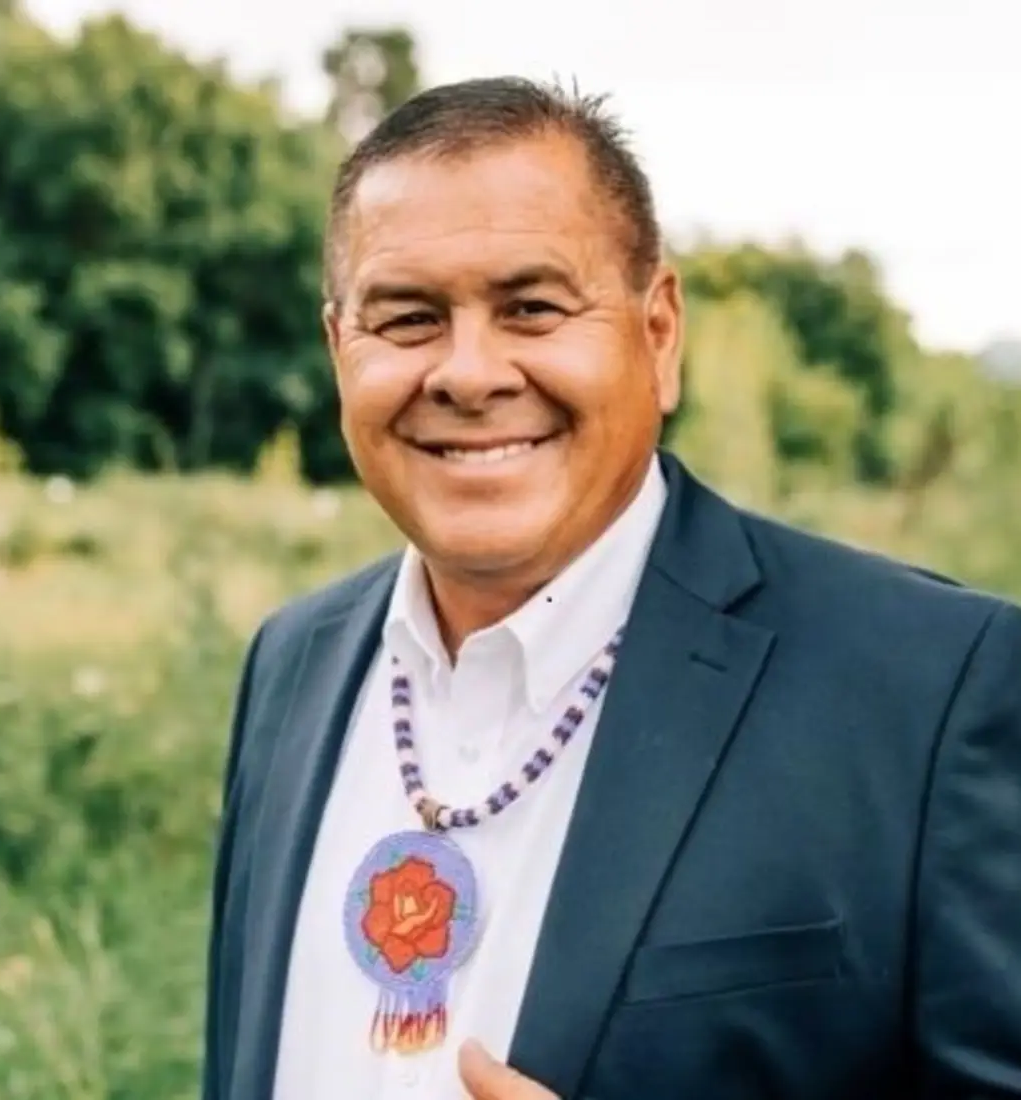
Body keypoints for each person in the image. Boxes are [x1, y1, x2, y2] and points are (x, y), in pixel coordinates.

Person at [200, 77, 1021, 1100]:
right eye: (407, 318)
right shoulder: (291, 661)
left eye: (530, 307)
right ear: (338, 350)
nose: (466, 371)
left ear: (658, 332)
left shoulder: (932, 689)